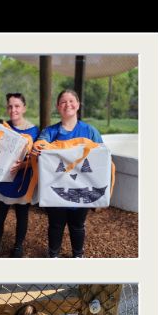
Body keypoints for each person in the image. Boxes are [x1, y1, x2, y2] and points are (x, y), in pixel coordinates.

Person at [31, 89, 103, 258]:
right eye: (63, 102)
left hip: (81, 189)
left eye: (71, 101)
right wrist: (37, 148)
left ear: (78, 105)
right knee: (55, 225)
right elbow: (40, 144)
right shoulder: (50, 132)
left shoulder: (90, 131)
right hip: (56, 190)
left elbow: (102, 156)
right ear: (57, 106)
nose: (67, 105)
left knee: (78, 225)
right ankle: (53, 255)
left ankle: (78, 255)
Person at [0, 93, 39, 258]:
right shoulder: (1, 128)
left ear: (24, 108)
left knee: (22, 215)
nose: (13, 109)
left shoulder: (34, 131)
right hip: (2, 178)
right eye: (10, 106)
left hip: (21, 179)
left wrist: (24, 164)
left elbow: (37, 157)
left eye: (17, 106)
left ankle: (18, 247)